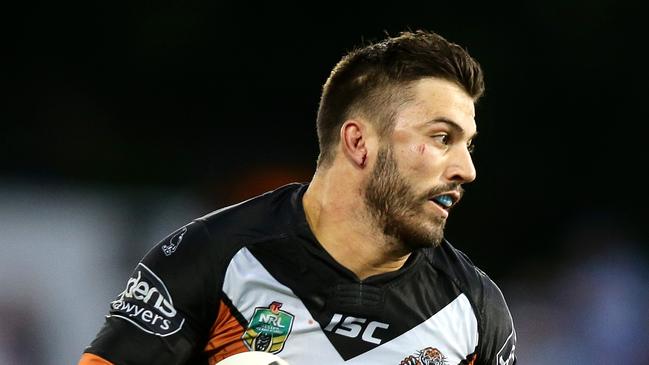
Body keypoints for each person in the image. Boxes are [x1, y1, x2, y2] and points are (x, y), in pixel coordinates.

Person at [79, 30, 516, 365]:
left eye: (468, 145)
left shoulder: (475, 311)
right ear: (359, 143)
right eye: (442, 137)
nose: (467, 169)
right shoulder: (213, 256)